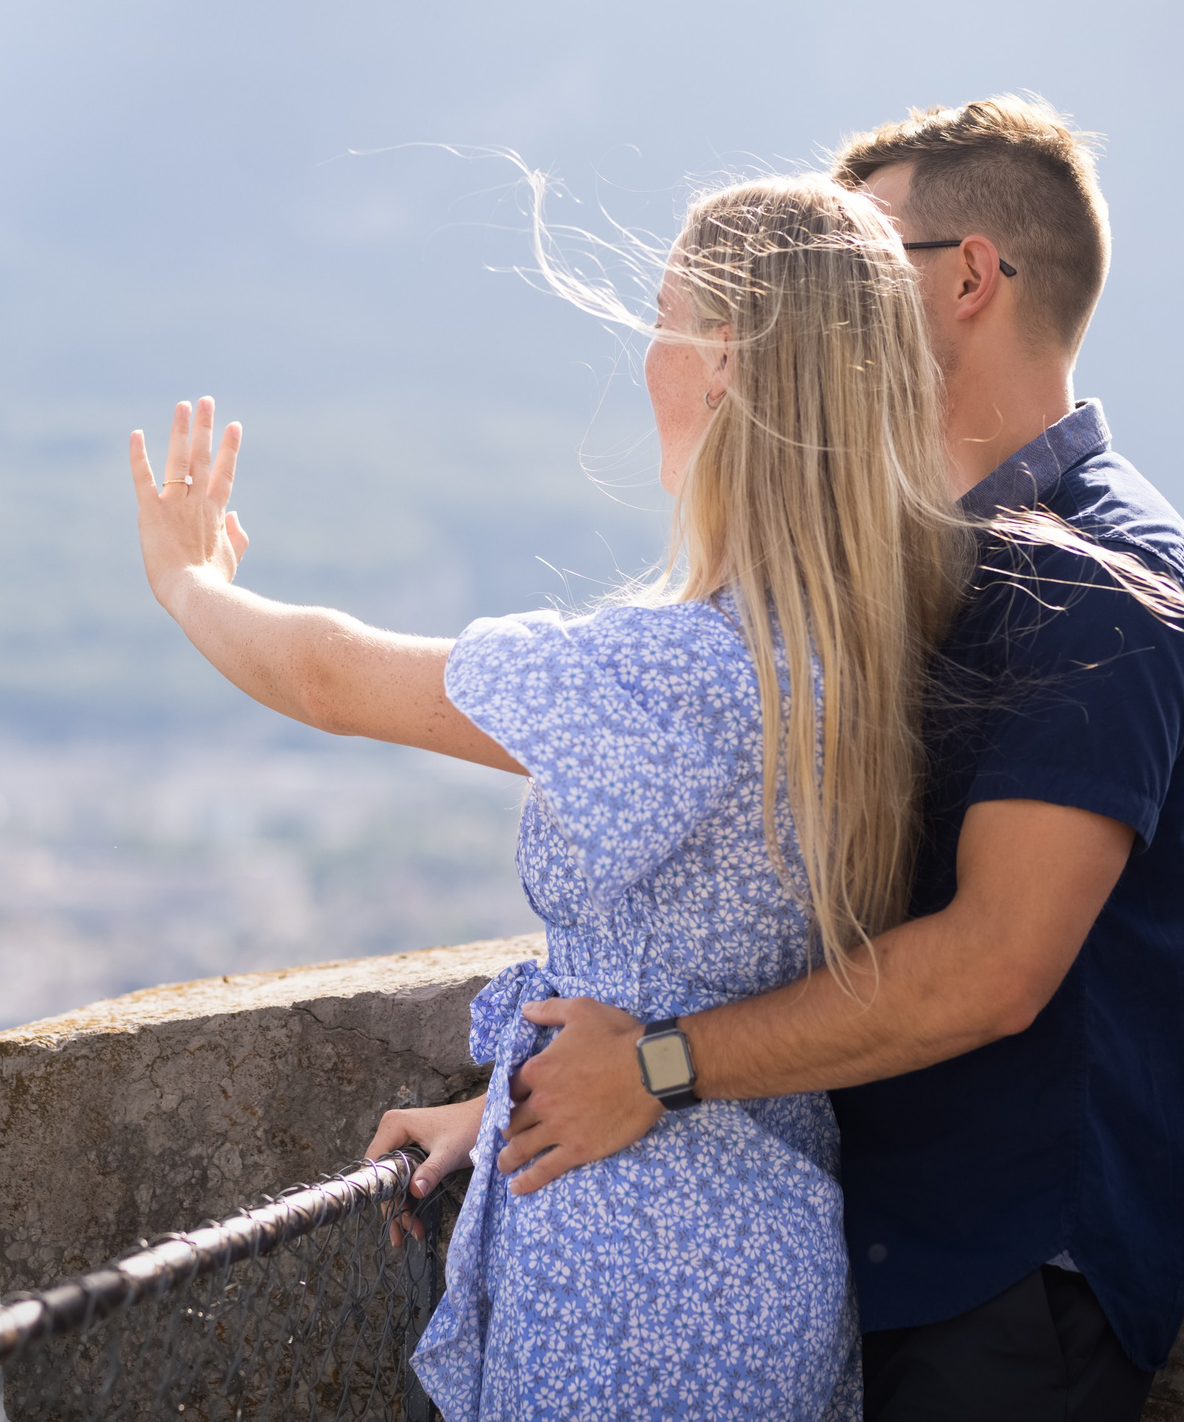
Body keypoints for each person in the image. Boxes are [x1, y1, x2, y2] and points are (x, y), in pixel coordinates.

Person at [127, 175, 980, 1420]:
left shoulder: (675, 670)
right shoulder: (846, 649)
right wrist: (501, 1102)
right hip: (763, 1252)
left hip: (633, 1278)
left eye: (663, 312)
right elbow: (698, 977)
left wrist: (187, 582)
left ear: (727, 359)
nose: (648, 350)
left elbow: (328, 676)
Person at [490, 97, 1184, 1421]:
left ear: (969, 277)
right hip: (892, 1255)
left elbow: (995, 964)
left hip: (1014, 1283)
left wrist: (656, 1067)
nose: (823, 301)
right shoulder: (926, 566)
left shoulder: (1101, 582)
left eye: (865, 258)